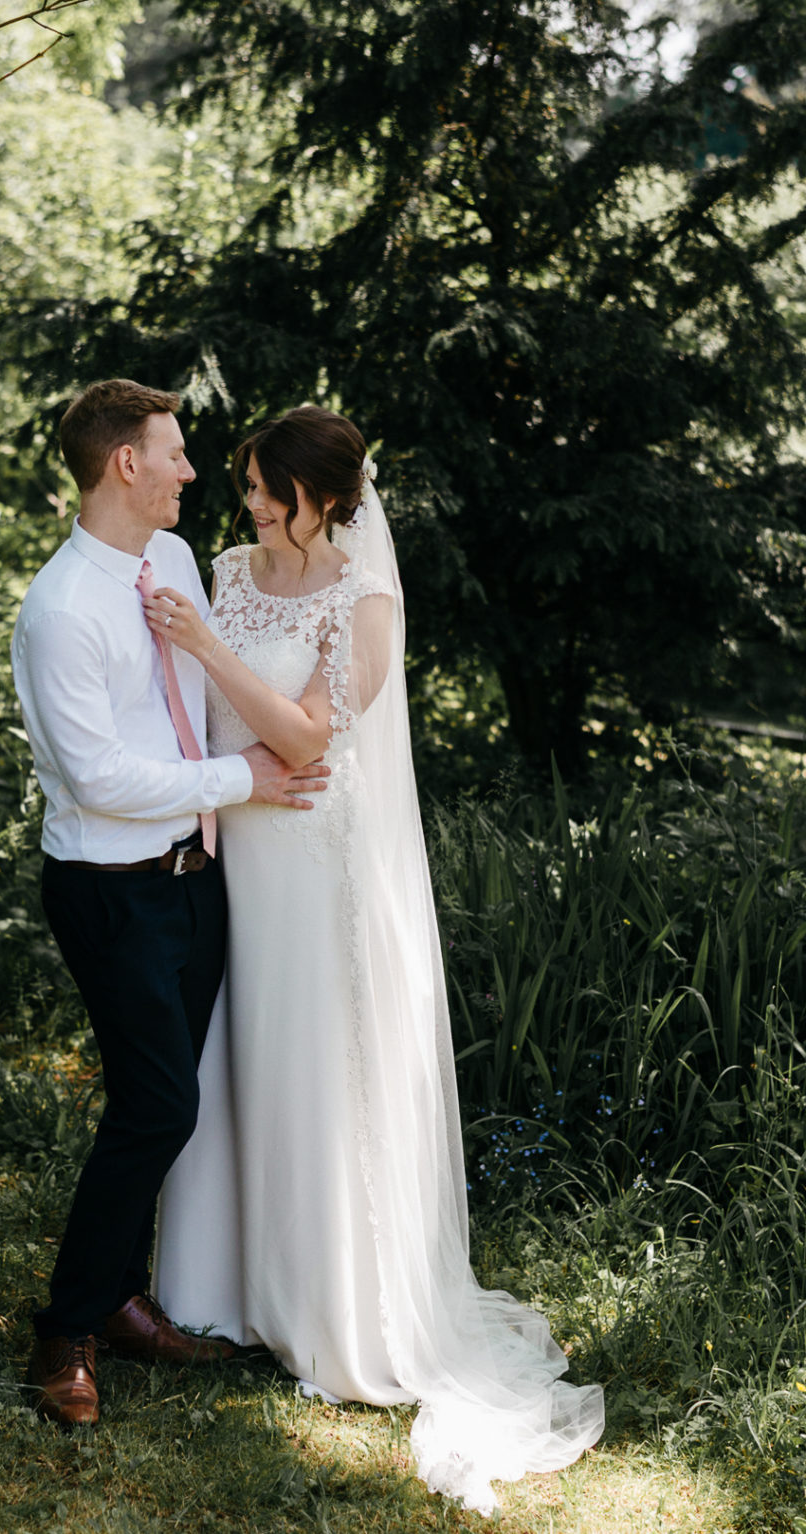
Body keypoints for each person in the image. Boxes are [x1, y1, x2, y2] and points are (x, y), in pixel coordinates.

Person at [146, 405, 605, 1515]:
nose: (250, 504)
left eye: (269, 489)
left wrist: (211, 649)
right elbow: (198, 720)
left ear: (328, 498)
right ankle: (217, 1291)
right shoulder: (221, 566)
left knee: (306, 1065)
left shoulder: (367, 598)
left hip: (311, 868)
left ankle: (326, 1306)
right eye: (247, 485)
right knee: (226, 1058)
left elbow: (310, 736)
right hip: (227, 854)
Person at [10, 379, 329, 1428]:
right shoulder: (58, 609)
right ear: (126, 465)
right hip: (110, 890)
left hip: (194, 882)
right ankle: (67, 1331)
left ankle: (121, 1294)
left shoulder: (176, 563)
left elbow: (191, 707)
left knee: (164, 1100)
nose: (194, 472)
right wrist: (246, 782)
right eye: (177, 453)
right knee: (159, 1105)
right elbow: (100, 777)